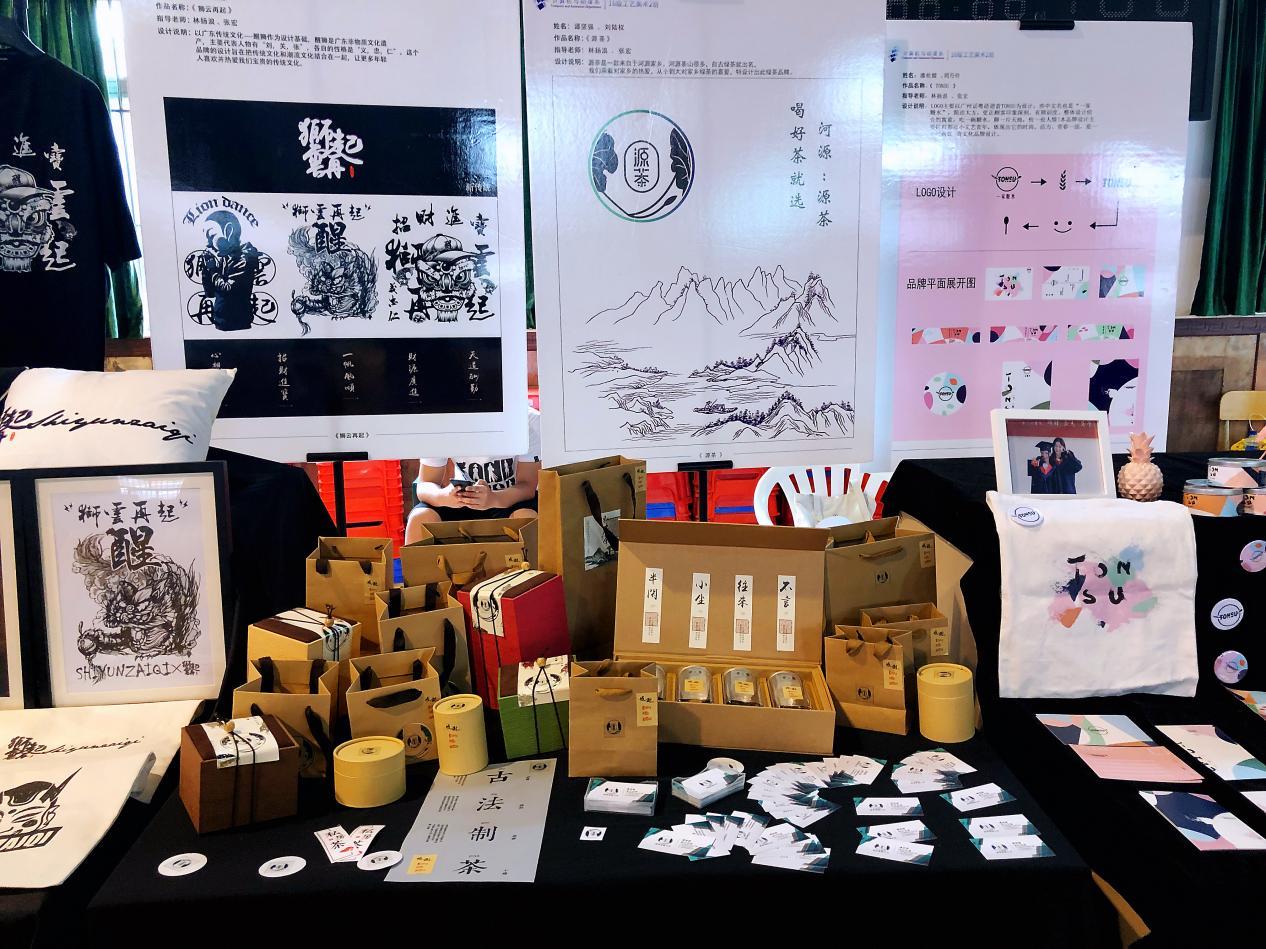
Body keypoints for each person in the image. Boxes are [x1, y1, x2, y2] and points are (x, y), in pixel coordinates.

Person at [404, 408, 541, 543]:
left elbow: (527, 486)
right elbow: (425, 485)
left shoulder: (527, 421)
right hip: (463, 502)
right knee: (420, 518)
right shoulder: (440, 425)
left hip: (509, 499)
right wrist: (444, 497)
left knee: (526, 518)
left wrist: (494, 498)